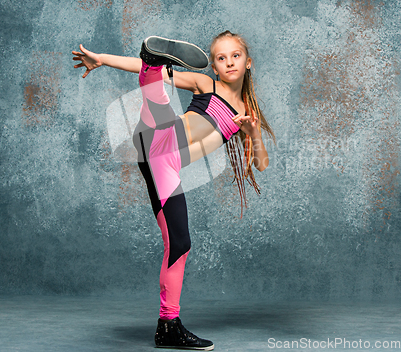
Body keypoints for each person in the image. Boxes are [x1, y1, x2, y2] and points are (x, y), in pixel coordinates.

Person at [72, 31, 275, 350]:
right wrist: (102, 59)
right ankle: (153, 64)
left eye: (235, 56)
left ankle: (168, 326)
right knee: (160, 107)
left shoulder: (247, 112)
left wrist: (253, 132)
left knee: (180, 244)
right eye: (220, 58)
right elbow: (153, 71)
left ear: (248, 63)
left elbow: (261, 163)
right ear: (215, 68)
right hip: (158, 139)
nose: (228, 62)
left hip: (164, 165)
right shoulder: (207, 85)